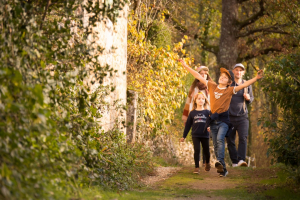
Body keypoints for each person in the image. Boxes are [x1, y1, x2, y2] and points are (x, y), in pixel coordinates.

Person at [178, 59, 263, 177]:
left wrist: (256, 78)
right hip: (213, 120)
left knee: (220, 139)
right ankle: (223, 168)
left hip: (224, 120)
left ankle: (220, 162)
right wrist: (185, 65)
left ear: (229, 82)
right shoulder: (212, 86)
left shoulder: (230, 90)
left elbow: (244, 84)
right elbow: (197, 75)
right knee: (217, 144)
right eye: (221, 76)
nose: (221, 78)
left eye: (224, 77)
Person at [181, 65, 211, 167]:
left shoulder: (210, 86)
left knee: (206, 137)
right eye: (201, 74)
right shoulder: (193, 88)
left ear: (207, 75)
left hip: (207, 113)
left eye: (205, 74)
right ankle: (197, 163)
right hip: (195, 113)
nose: (203, 75)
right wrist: (188, 115)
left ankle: (205, 161)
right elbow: (189, 101)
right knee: (197, 136)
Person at [227, 63, 254, 167]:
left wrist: (248, 98)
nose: (238, 72)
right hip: (230, 117)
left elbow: (251, 99)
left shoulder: (247, 85)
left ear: (243, 73)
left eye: (240, 70)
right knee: (230, 140)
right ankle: (234, 162)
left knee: (243, 138)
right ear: (233, 71)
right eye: (236, 70)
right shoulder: (229, 85)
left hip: (243, 117)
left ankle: (241, 160)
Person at [180, 92, 211, 174]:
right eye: (199, 98)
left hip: (205, 135)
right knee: (196, 150)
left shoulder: (208, 112)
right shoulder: (192, 113)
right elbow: (188, 126)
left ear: (205, 101)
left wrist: (210, 127)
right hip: (195, 135)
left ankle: (207, 163)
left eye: (202, 99)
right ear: (195, 101)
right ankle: (196, 167)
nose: (201, 100)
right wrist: (184, 136)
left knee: (206, 151)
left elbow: (212, 122)